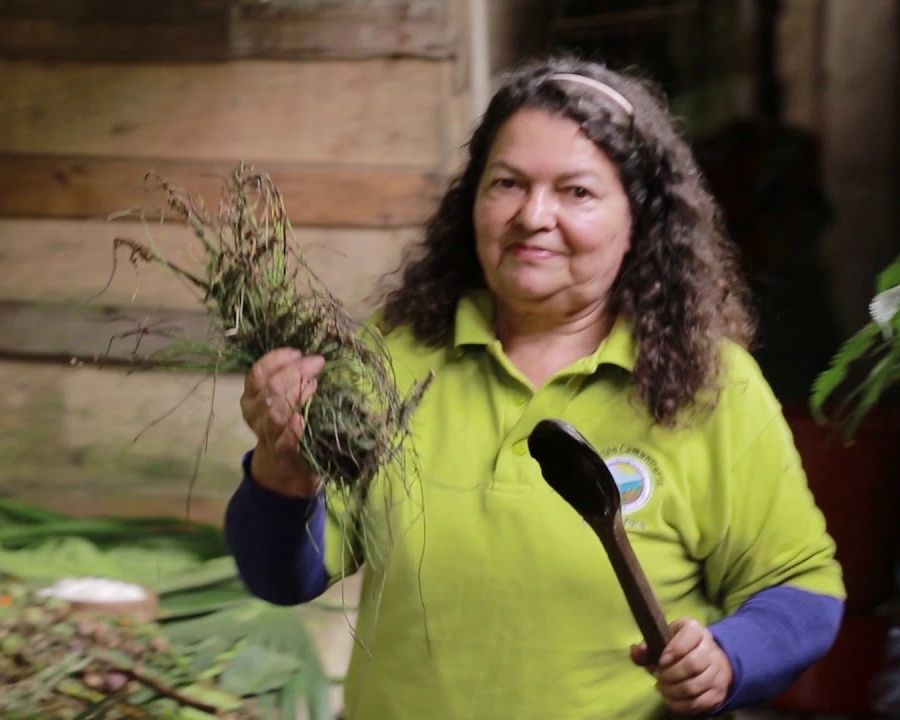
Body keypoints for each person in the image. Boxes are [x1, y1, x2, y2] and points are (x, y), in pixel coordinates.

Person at [223, 55, 845, 719]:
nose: (533, 215)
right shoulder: (392, 355)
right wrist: (282, 469)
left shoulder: (709, 385)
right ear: (474, 201)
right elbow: (283, 578)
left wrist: (728, 656)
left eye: (576, 192)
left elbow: (802, 589)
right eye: (508, 184)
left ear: (638, 218)